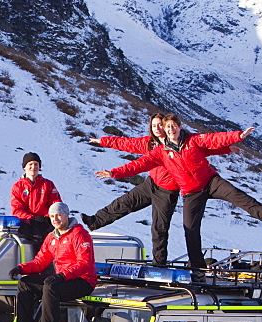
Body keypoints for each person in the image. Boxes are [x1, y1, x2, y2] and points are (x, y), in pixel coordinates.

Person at [98, 114, 262, 272]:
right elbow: (138, 165)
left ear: (179, 127)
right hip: (191, 192)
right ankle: (197, 267)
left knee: (234, 194)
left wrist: (237, 136)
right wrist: (114, 173)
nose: (170, 130)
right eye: (167, 127)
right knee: (190, 230)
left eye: (173, 126)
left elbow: (213, 139)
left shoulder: (192, 140)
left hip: (209, 181)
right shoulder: (160, 152)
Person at [84, 113, 232, 265]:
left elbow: (206, 147)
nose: (157, 129)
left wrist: (227, 148)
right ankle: (95, 221)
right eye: (153, 126)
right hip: (151, 183)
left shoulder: (178, 144)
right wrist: (103, 141)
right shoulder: (150, 143)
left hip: (167, 192)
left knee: (159, 229)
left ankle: (159, 263)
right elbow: (127, 143)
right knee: (124, 203)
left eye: (160, 125)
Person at [9, 202, 97, 322]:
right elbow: (40, 262)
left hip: (83, 281)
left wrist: (62, 276)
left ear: (66, 215)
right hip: (63, 279)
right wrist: (21, 268)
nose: (55, 219)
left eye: (58, 215)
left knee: (51, 286)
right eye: (51, 216)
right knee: (25, 283)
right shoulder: (52, 237)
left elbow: (85, 263)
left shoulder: (79, 234)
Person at [11, 152, 62, 248]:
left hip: (46, 224)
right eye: (30, 164)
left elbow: (56, 204)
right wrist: (32, 219)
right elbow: (17, 209)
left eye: (36, 164)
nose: (33, 167)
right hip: (26, 224)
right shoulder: (18, 187)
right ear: (24, 167)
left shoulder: (48, 184)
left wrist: (49, 218)